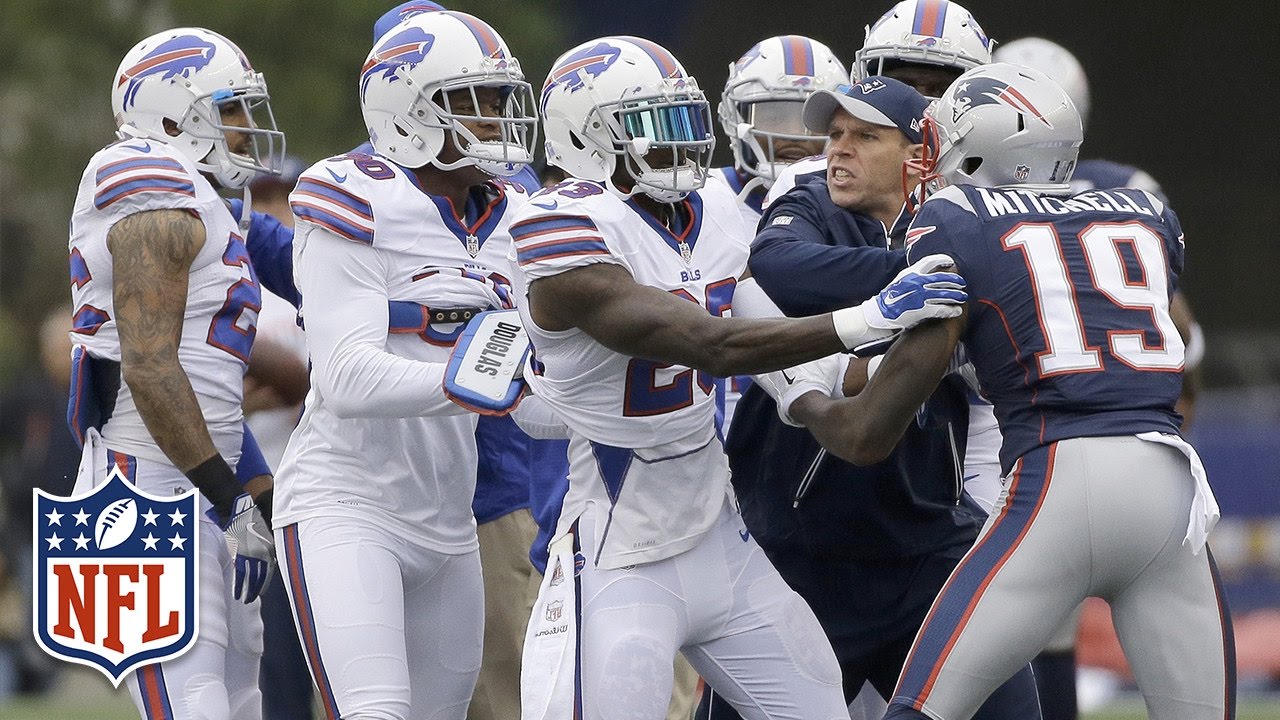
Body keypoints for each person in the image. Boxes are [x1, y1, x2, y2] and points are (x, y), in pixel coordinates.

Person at [513, 35, 967, 720]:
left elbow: (798, 369)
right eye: (654, 125)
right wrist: (868, 314)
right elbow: (711, 343)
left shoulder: (715, 220)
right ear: (590, 133)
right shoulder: (565, 225)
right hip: (618, 552)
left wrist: (878, 371)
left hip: (722, 540)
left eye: (685, 120)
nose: (682, 143)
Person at [785, 62, 1235, 720]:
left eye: (939, 147)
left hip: (1058, 481)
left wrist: (807, 399)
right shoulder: (1147, 212)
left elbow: (868, 433)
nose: (927, 164)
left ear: (979, 151)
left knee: (921, 709)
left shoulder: (957, 218)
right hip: (1170, 490)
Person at [697, 76, 1040, 720]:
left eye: (865, 136)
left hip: (926, 542)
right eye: (834, 134)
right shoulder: (808, 199)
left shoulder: (957, 217)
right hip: (800, 549)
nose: (838, 150)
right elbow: (775, 268)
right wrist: (905, 289)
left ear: (917, 155)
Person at [271, 10, 540, 719]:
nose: (495, 120)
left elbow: (532, 398)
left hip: (450, 518)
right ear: (408, 107)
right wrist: (470, 383)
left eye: (498, 100)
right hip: (347, 504)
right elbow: (347, 377)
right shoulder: (352, 194)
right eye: (473, 102)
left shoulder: (513, 216)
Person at [67, 26, 284, 720]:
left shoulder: (208, 198)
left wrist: (259, 497)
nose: (248, 130)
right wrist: (231, 497)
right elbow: (150, 366)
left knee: (242, 707)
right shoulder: (145, 178)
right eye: (231, 110)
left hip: (198, 488)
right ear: (169, 116)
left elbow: (210, 389)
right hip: (141, 496)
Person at [993, 37, 1209, 719]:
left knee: (1017, 631)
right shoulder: (1129, 191)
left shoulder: (973, 200)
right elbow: (1181, 337)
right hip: (1132, 437)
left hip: (1027, 433)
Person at [710, 35, 847, 427]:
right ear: (735, 119)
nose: (795, 136)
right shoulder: (700, 202)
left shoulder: (861, 206)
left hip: (818, 420)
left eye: (811, 120)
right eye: (774, 117)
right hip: (713, 421)